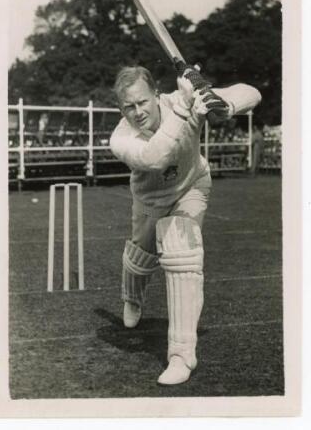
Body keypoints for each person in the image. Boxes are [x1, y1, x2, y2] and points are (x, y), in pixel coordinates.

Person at [110, 64, 261, 385]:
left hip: (192, 186)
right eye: (129, 106)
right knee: (140, 258)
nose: (137, 112)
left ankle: (181, 354)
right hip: (149, 199)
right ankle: (132, 298)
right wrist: (183, 110)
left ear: (156, 94)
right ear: (121, 109)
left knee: (182, 254)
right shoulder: (121, 136)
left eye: (142, 102)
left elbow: (252, 92)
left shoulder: (184, 96)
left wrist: (220, 103)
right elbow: (154, 158)